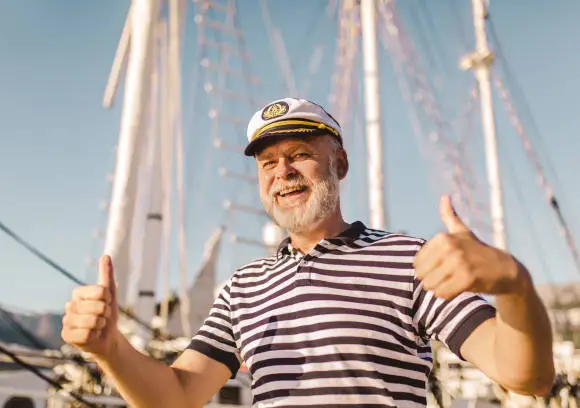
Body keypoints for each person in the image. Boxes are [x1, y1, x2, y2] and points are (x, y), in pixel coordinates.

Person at [62, 97, 555, 408]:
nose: (282, 172)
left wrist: (514, 287)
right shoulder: (242, 288)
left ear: (339, 162)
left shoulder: (411, 260)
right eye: (268, 163)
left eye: (299, 153)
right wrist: (110, 351)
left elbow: (526, 377)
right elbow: (176, 396)